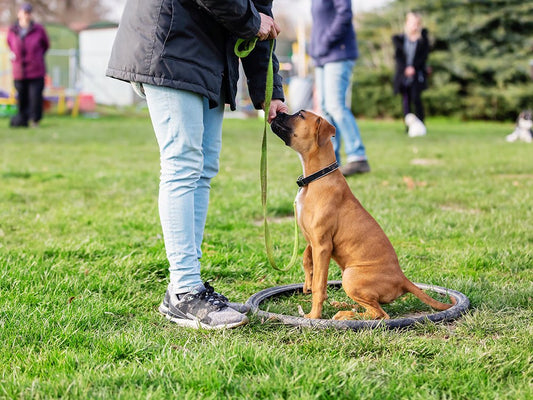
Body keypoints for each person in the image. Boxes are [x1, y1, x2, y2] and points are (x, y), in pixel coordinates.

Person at [106, 0, 287, 329]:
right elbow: (253, 19)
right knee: (182, 165)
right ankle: (185, 291)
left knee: (202, 169)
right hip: (171, 40)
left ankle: (187, 287)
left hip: (206, 53)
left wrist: (269, 88)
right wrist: (250, 20)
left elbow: (261, 16)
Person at [309, 0, 370, 177]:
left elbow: (344, 15)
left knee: (336, 106)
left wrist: (325, 42)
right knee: (326, 108)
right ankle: (332, 161)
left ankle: (358, 156)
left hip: (338, 53)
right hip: (322, 57)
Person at [7, 3, 49, 128]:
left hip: (36, 70)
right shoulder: (13, 30)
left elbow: (45, 45)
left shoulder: (39, 29)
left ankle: (35, 121)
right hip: (19, 71)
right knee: (22, 97)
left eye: (28, 12)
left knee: (35, 97)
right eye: (24, 12)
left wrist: (36, 57)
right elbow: (10, 44)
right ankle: (22, 119)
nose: (26, 15)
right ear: (19, 13)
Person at [392, 12, 430, 124]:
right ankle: (408, 126)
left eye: (417, 23)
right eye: (412, 23)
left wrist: (413, 68)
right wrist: (405, 68)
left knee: (416, 98)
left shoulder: (423, 40)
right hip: (403, 74)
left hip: (417, 74)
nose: (414, 26)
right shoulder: (400, 39)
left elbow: (423, 57)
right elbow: (398, 57)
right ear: (407, 23)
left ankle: (420, 123)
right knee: (405, 100)